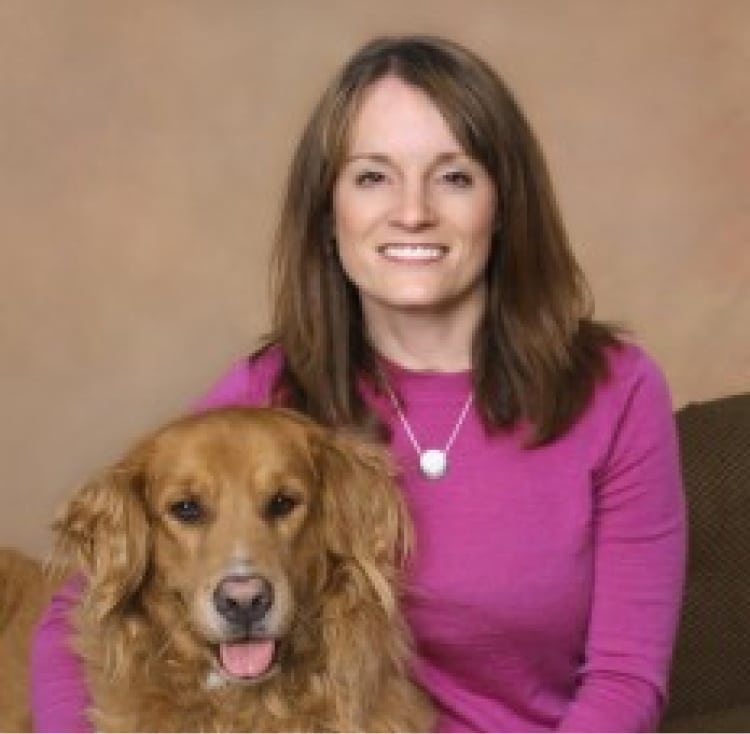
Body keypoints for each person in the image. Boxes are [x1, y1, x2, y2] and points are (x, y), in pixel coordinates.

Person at [32, 35, 685, 732]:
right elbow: (74, 616)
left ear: (503, 206)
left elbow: (623, 682)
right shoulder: (270, 395)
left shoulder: (614, 390)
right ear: (327, 212)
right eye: (373, 176)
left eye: (454, 176)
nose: (412, 212)